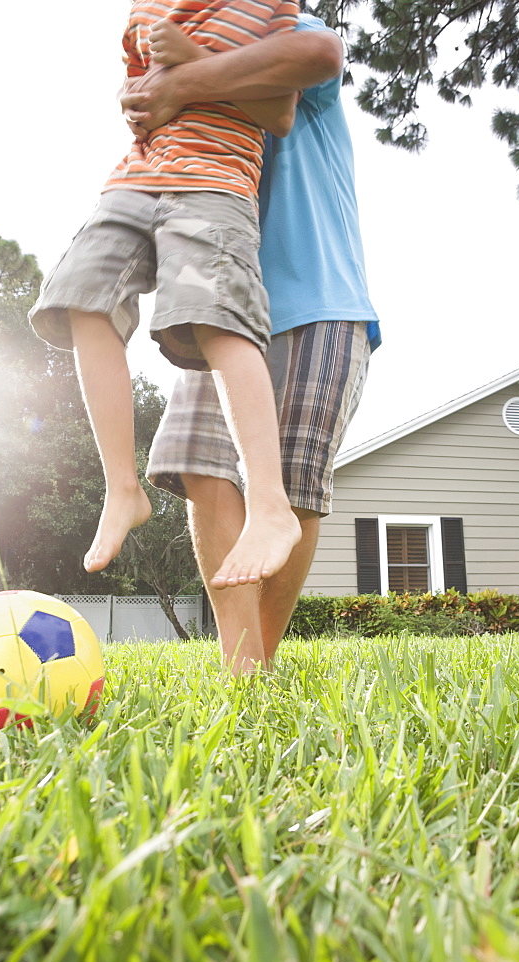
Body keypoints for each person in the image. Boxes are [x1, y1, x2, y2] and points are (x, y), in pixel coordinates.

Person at [124, 13, 381, 673]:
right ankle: (242, 671)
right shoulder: (178, 73)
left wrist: (187, 77)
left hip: (316, 296)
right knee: (198, 463)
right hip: (220, 302)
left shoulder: (277, 27)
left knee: (291, 485)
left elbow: (322, 53)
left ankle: (258, 666)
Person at [28, 0, 303, 590]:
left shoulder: (271, 8)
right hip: (133, 180)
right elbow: (139, 93)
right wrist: (135, 100)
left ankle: (271, 504)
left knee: (217, 317)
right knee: (82, 295)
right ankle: (122, 488)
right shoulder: (145, 9)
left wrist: (194, 64)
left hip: (215, 183)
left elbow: (279, 113)